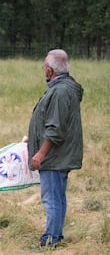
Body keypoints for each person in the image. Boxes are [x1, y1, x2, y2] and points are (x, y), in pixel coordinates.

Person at [28, 49, 83, 248]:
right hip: (61, 154)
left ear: (50, 70)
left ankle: (50, 240)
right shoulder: (65, 87)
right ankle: (56, 236)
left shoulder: (60, 91)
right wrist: (32, 138)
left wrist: (41, 152)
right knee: (58, 197)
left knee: (51, 199)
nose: (44, 70)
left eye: (45, 67)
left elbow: (55, 128)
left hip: (55, 157)